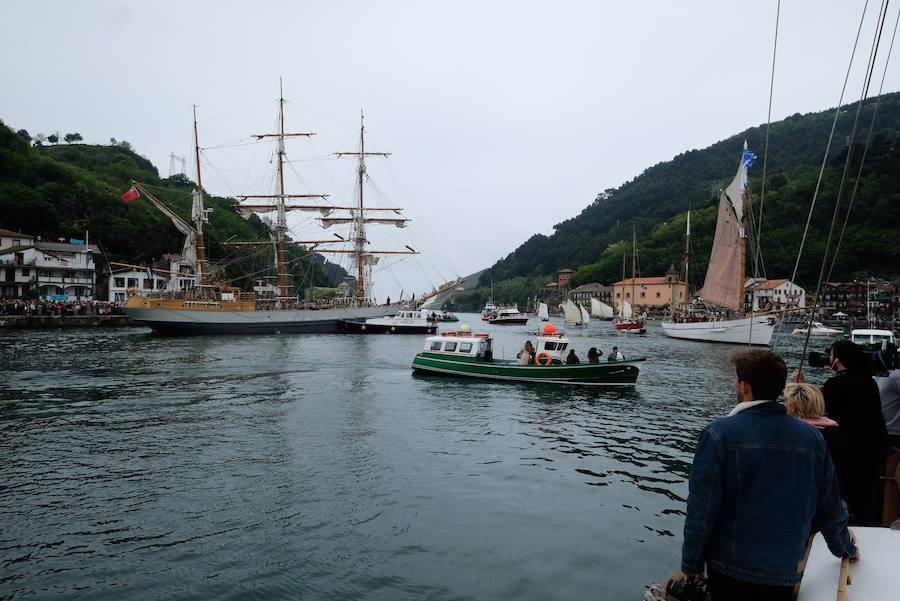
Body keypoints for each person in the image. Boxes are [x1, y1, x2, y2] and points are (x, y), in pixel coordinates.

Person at [673, 349, 857, 601]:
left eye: (736, 379)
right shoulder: (812, 438)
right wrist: (845, 548)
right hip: (783, 568)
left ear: (744, 386)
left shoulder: (718, 434)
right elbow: (829, 505)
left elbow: (702, 510)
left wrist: (690, 566)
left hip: (729, 568)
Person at [820, 340, 888, 526]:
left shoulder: (836, 384)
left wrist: (799, 387)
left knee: (841, 493)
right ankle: (868, 529)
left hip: (847, 450)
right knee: (864, 496)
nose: (829, 357)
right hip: (873, 447)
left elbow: (817, 408)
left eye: (831, 354)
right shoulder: (869, 382)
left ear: (838, 360)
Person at [784, 382, 849, 494]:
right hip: (833, 490)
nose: (783, 404)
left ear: (793, 407)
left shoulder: (793, 434)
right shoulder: (835, 430)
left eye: (785, 401)